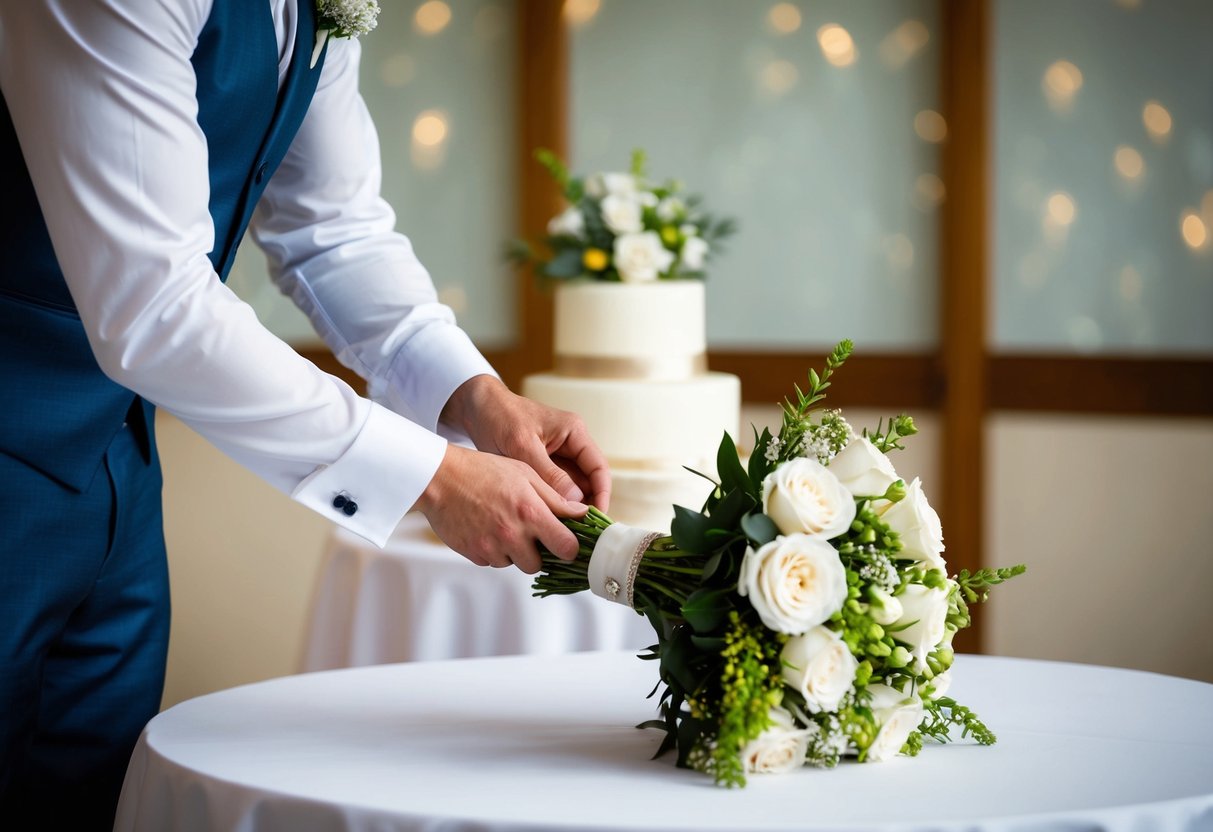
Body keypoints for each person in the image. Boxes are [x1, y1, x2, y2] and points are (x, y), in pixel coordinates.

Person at [0, 0, 610, 825]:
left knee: (91, 797)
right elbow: (153, 305)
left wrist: (479, 398)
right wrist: (432, 476)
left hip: (117, 471)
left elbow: (334, 228)